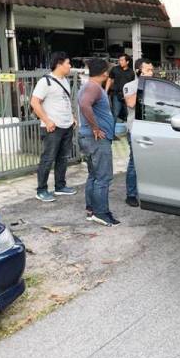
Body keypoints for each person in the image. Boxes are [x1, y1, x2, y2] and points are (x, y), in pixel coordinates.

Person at [78, 58, 120, 227]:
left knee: (94, 176)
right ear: (104, 73)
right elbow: (84, 104)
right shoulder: (93, 87)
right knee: (103, 177)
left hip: (90, 139)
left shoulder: (89, 86)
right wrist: (95, 127)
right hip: (96, 140)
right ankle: (101, 213)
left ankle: (92, 210)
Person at [31, 51, 77, 202]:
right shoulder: (45, 82)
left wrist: (72, 117)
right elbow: (34, 103)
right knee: (48, 159)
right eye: (68, 63)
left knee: (62, 158)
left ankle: (60, 186)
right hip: (52, 127)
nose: (70, 66)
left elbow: (64, 101)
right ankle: (41, 190)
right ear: (59, 64)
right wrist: (47, 120)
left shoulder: (64, 80)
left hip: (67, 125)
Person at [120, 58, 154, 207]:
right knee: (135, 162)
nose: (151, 73)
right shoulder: (130, 86)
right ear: (139, 71)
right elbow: (131, 103)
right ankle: (131, 194)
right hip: (136, 130)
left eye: (152, 70)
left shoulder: (155, 86)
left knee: (151, 162)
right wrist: (142, 84)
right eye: (148, 70)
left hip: (153, 129)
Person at [105, 54, 135, 137]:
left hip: (127, 97)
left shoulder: (131, 72)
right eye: (119, 60)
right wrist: (105, 91)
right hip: (116, 95)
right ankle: (111, 134)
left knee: (129, 115)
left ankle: (130, 134)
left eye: (122, 60)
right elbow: (109, 79)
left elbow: (132, 85)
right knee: (114, 114)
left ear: (127, 62)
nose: (120, 61)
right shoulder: (115, 69)